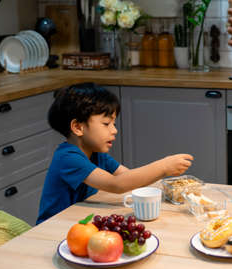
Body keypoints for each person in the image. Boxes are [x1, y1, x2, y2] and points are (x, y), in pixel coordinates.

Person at [37, 83, 193, 224]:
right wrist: (164, 166)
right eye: (106, 124)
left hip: (77, 222)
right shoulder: (67, 158)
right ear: (78, 127)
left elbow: (129, 177)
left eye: (114, 123)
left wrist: (170, 188)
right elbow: (117, 184)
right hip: (52, 228)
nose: (114, 130)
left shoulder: (96, 154)